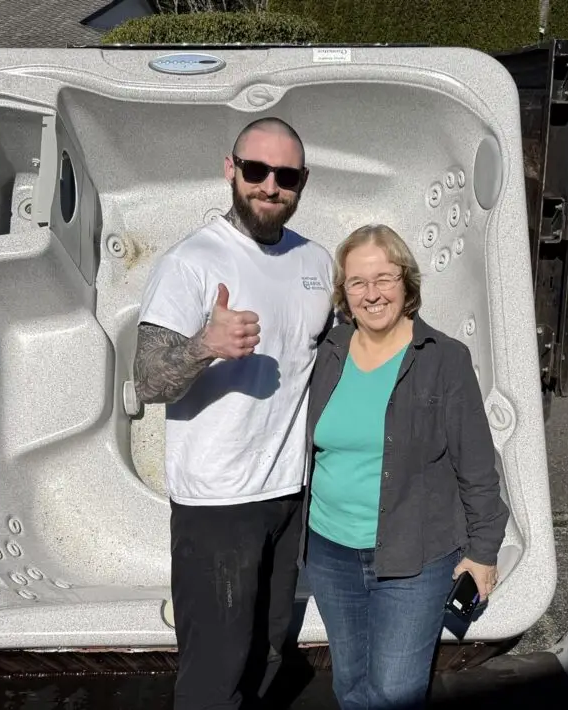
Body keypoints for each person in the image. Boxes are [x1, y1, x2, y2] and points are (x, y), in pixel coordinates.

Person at [133, 117, 334, 710]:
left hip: (288, 495)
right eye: (256, 171)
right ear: (231, 170)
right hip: (217, 503)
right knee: (215, 670)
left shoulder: (316, 263)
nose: (270, 186)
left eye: (286, 175)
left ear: (302, 182)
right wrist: (203, 345)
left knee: (270, 648)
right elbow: (146, 381)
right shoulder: (190, 262)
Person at [299, 224, 510, 709]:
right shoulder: (327, 353)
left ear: (407, 283)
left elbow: (477, 467)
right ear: (343, 293)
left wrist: (483, 553)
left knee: (394, 691)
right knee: (350, 683)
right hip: (330, 553)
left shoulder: (443, 359)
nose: (372, 294)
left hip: (414, 556)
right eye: (357, 282)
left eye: (384, 278)